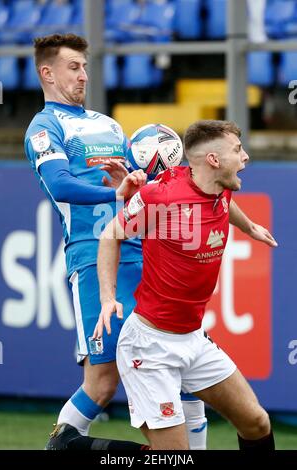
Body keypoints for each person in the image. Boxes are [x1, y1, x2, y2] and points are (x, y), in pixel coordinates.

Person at [23, 32, 206, 451]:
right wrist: (117, 194)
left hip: (143, 253)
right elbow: (59, 184)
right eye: (74, 67)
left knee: (187, 370)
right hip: (93, 258)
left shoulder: (109, 124)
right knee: (103, 383)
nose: (83, 75)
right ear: (46, 73)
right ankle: (62, 445)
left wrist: (149, 184)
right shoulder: (44, 126)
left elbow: (138, 183)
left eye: (85, 66)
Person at [94, 119, 278, 450]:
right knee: (176, 457)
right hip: (149, 348)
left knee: (256, 422)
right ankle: (79, 446)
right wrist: (107, 298)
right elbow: (110, 234)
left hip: (193, 339)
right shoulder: (160, 196)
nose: (246, 157)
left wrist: (249, 227)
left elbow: (224, 201)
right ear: (213, 160)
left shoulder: (220, 186)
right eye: (238, 150)